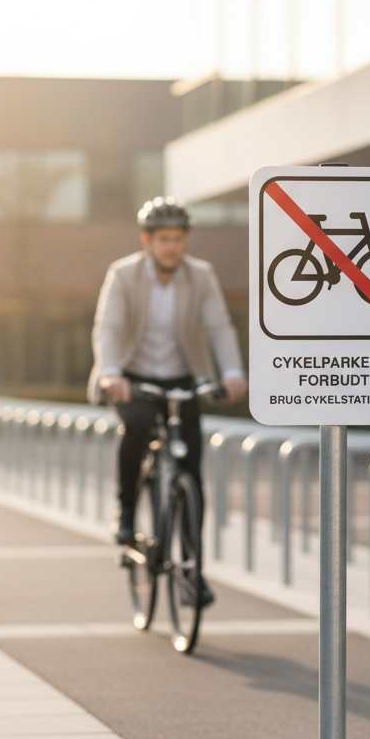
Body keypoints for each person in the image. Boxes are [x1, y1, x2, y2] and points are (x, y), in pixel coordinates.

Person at [87, 197, 247, 595]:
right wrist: (111, 374)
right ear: (147, 240)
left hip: (182, 380)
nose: (172, 247)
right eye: (163, 239)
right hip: (132, 378)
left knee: (191, 473)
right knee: (137, 425)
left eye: (178, 239)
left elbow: (219, 327)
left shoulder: (201, 276)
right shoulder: (123, 275)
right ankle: (125, 510)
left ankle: (193, 569)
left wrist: (231, 373)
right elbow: (107, 327)